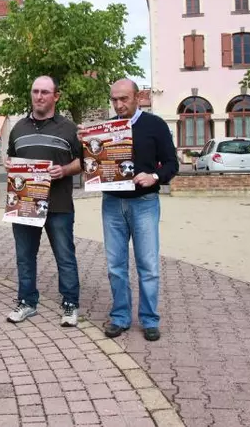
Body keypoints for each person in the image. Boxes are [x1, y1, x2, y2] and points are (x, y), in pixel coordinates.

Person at [96, 79, 178, 341]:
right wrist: (86, 144)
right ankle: (120, 317)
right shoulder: (106, 128)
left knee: (148, 265)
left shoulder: (155, 125)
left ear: (138, 97)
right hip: (112, 203)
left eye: (124, 99)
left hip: (144, 204)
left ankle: (149, 319)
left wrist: (154, 176)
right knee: (115, 265)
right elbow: (94, 164)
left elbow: (171, 164)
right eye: (114, 100)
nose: (118, 104)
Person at [5, 75, 83, 327]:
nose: (39, 96)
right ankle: (27, 302)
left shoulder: (69, 128)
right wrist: (9, 166)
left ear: (55, 96)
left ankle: (70, 305)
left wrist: (65, 170)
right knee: (25, 256)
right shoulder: (18, 129)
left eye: (45, 92)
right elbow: (11, 159)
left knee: (65, 256)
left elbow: (84, 162)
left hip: (59, 205)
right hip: (25, 204)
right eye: (35, 91)